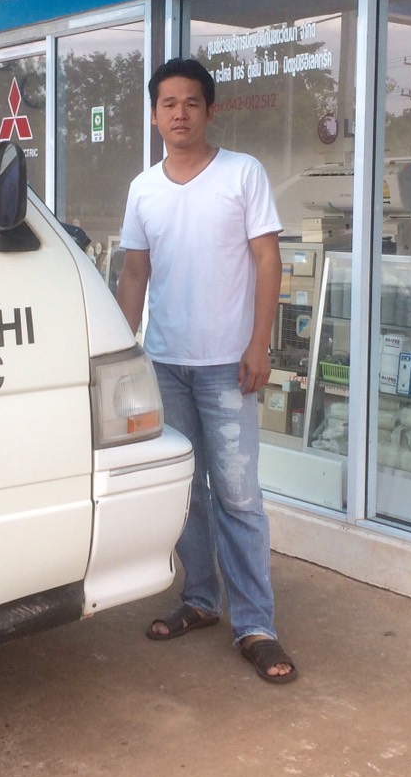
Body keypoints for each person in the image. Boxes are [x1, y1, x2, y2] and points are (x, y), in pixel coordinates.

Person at [115, 58, 297, 683]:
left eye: (191, 103)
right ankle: (200, 599)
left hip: (228, 365)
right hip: (165, 362)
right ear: (154, 114)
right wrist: (122, 352)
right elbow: (134, 273)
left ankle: (256, 625)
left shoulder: (242, 174)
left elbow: (268, 261)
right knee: (187, 492)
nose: (180, 114)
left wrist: (260, 344)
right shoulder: (144, 189)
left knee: (239, 496)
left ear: (209, 111)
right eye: (168, 104)